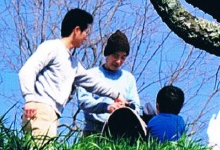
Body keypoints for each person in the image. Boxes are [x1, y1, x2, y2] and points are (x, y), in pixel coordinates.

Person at [17, 7, 125, 140]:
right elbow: (27, 70)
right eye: (86, 32)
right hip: (41, 110)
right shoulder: (52, 47)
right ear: (77, 30)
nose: (86, 38)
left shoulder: (72, 63)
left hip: (50, 115)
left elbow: (93, 83)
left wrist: (117, 95)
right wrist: (30, 99)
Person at [74, 31, 144, 138]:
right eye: (115, 56)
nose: (118, 61)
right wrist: (107, 107)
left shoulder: (128, 78)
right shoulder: (90, 75)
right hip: (93, 133)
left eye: (123, 57)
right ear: (107, 54)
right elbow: (84, 102)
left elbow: (136, 106)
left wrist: (125, 108)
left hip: (120, 134)